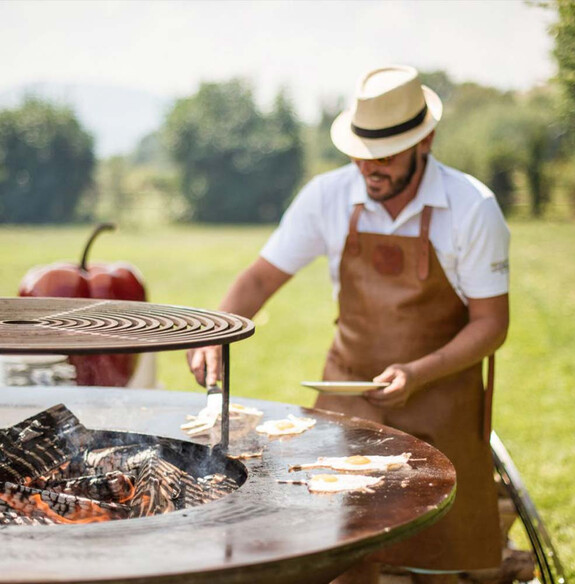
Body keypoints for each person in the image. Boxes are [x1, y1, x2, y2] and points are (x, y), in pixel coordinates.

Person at [187, 65, 510, 584]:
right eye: (361, 152)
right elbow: (259, 280)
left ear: (425, 141)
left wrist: (419, 374)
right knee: (337, 552)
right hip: (347, 400)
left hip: (441, 399)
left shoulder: (472, 207)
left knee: (432, 561)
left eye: (385, 154)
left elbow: (492, 324)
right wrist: (216, 335)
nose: (369, 167)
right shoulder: (327, 195)